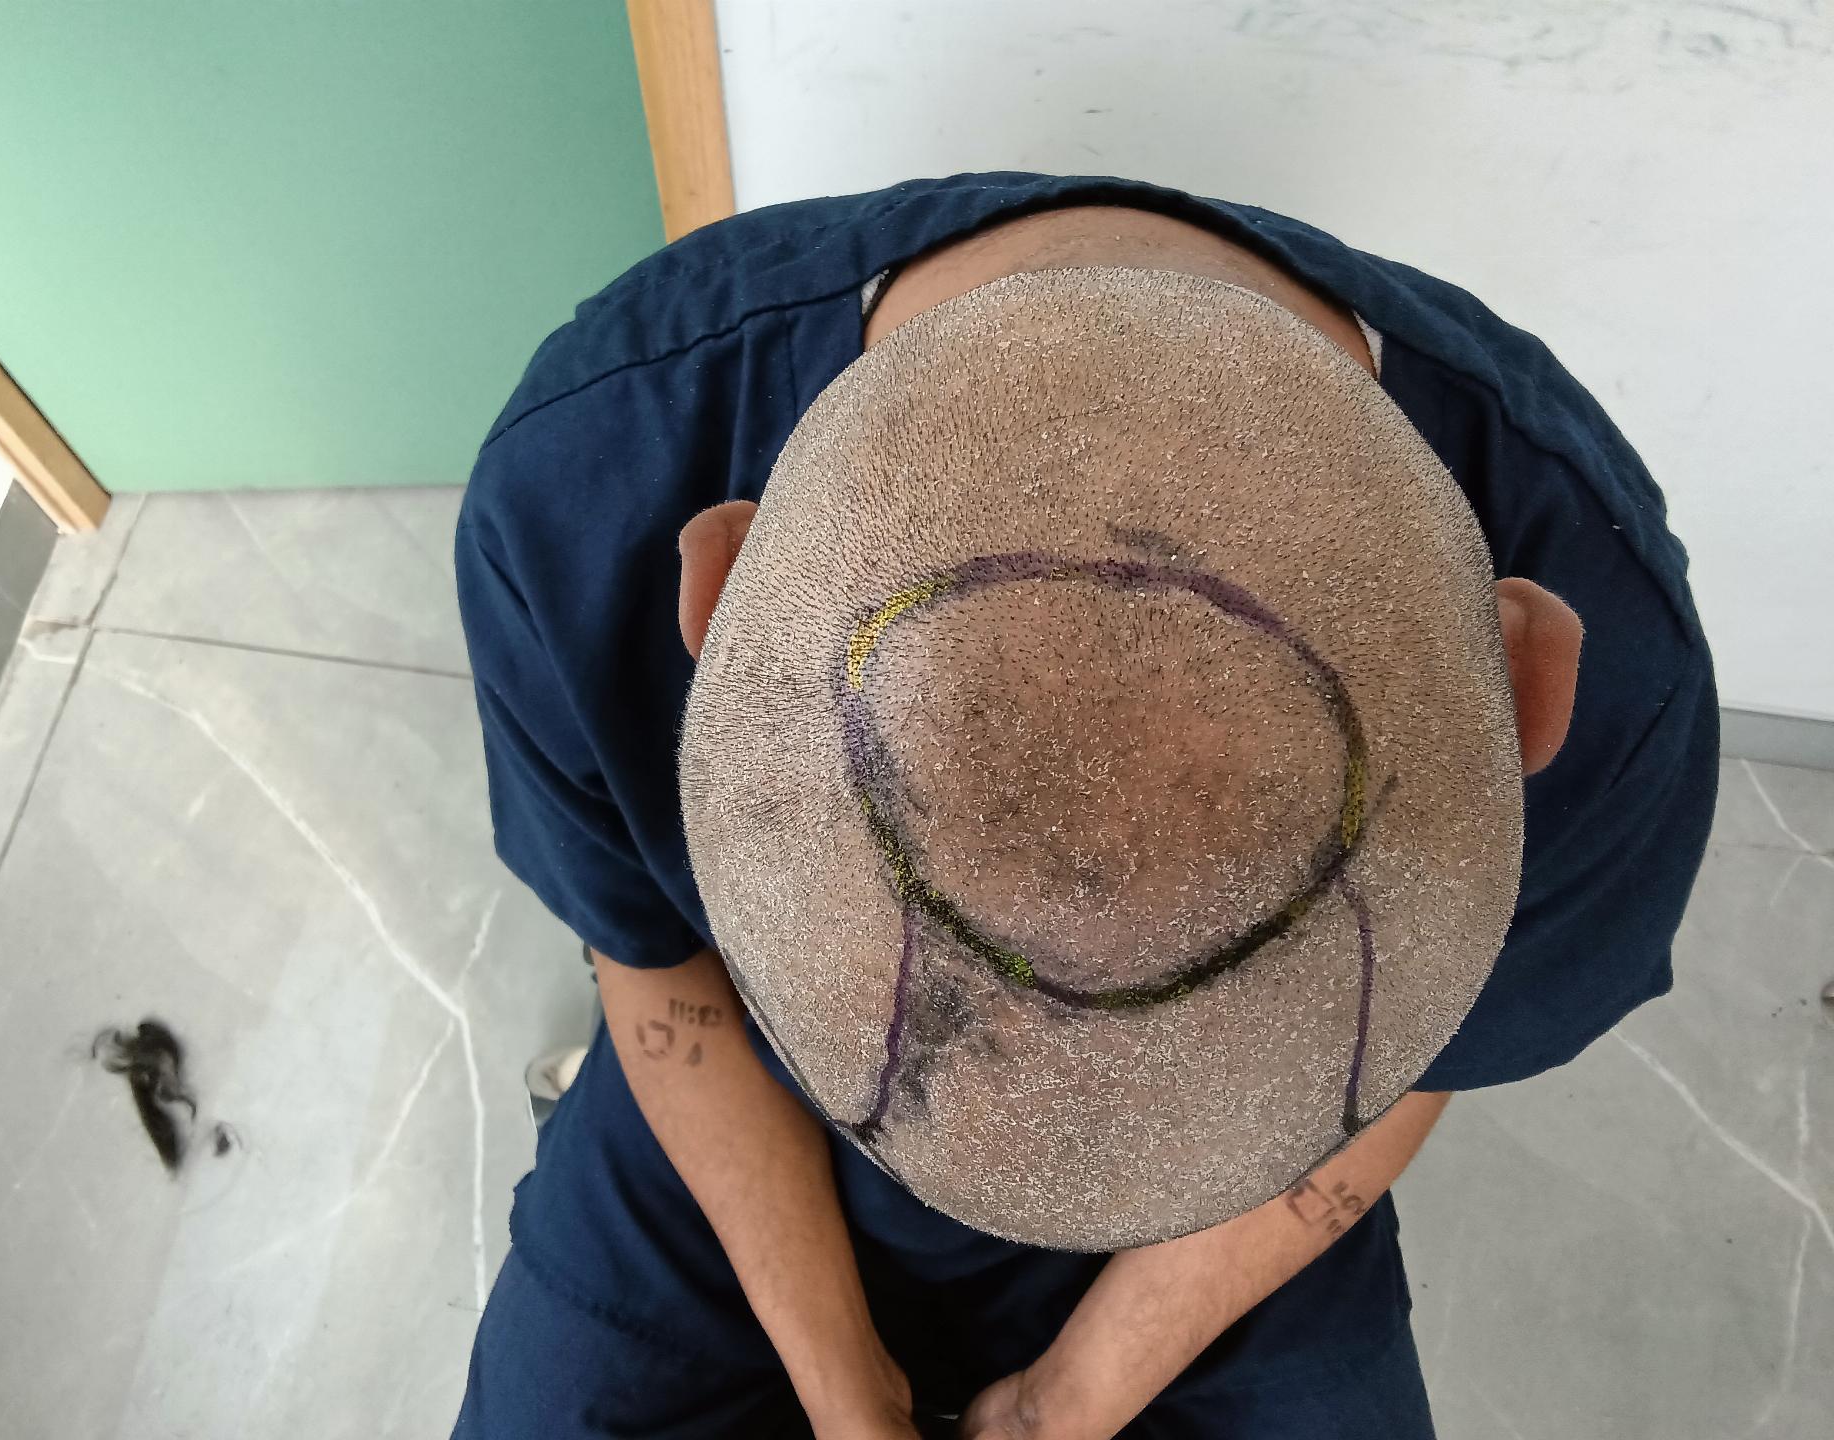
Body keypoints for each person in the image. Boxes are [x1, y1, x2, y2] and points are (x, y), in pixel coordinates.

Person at [450, 172, 1717, 1438]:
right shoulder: (580, 495)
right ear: (722, 603)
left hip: (1230, 1199)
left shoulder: (1619, 672)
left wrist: (1069, 1401)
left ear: (1524, 693)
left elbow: (1437, 1053)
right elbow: (659, 968)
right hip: (745, 1077)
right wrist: (844, 1387)